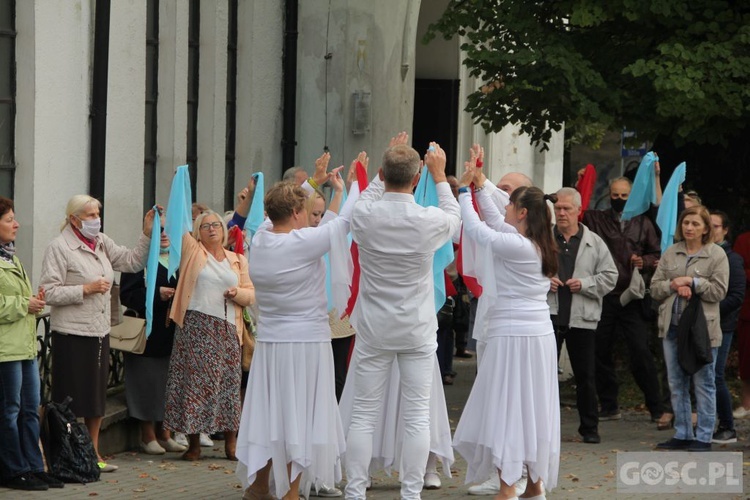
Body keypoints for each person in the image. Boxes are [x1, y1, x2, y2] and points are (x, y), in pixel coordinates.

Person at [344, 138, 460, 500]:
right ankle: (411, 493)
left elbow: (362, 199)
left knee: (363, 414)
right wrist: (439, 176)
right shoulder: (428, 219)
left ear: (381, 174)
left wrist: (384, 170)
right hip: (416, 328)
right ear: (417, 177)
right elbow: (454, 217)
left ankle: (354, 492)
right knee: (417, 416)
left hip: (375, 328)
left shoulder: (364, 215)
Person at [236, 167, 353, 500]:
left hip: (271, 345)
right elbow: (342, 222)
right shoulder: (302, 243)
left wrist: (312, 183)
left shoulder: (260, 239)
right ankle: (289, 494)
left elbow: (290, 213)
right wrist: (369, 181)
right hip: (304, 344)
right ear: (297, 213)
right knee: (297, 420)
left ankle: (258, 488)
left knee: (268, 416)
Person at [453, 163, 560, 499]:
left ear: (523, 212)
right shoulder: (535, 242)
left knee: (508, 407)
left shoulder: (518, 246)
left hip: (514, 336)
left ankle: (507, 486)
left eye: (511, 203)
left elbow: (477, 229)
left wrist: (461, 191)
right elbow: (495, 221)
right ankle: (533, 485)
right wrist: (480, 186)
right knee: (530, 408)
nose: (505, 207)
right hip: (535, 335)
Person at [39, 195, 157, 472]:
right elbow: (49, 292)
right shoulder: (60, 247)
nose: (96, 219)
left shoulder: (102, 241)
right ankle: (65, 453)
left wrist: (147, 233)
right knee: (70, 395)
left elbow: (131, 262)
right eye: (90, 215)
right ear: (74, 219)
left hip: (100, 329)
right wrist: (86, 289)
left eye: (97, 213)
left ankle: (92, 452)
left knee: (95, 395)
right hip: (72, 330)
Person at [164, 209, 255, 462]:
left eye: (216, 225)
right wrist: (180, 188)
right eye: (206, 226)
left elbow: (251, 293)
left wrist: (237, 293)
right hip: (195, 327)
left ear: (223, 230)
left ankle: (231, 444)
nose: (212, 229)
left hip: (227, 329)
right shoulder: (193, 253)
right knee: (194, 386)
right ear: (198, 233)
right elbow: (178, 226)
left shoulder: (237, 259)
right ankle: (193, 444)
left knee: (228, 386)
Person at [582, 177, 664, 422]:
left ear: (632, 196)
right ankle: (609, 405)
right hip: (603, 295)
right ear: (608, 194)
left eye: (624, 196)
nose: (619, 200)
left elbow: (656, 253)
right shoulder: (596, 219)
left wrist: (645, 262)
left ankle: (656, 407)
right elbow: (577, 210)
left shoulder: (643, 222)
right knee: (599, 351)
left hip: (632, 296)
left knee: (640, 351)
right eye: (615, 195)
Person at [651, 206, 728, 452]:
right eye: (686, 223)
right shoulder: (671, 253)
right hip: (671, 328)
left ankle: (704, 436)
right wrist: (674, 284)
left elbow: (719, 291)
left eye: (695, 224)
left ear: (706, 228)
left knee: (704, 383)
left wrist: (692, 282)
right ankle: (683, 432)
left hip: (702, 331)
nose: (689, 228)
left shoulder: (716, 255)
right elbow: (654, 288)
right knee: (676, 382)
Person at [0, 197, 64, 491]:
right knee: (9, 411)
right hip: (5, 351)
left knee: (30, 408)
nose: (17, 224)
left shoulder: (11, 257)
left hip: (24, 346)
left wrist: (34, 302)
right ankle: (13, 470)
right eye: (9, 219)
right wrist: (24, 303)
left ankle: (34, 466)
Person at [548, 187, 618, 444]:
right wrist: (545, 281)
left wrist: (586, 284)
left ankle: (589, 429)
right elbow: (527, 271)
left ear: (579, 211)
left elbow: (611, 276)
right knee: (545, 377)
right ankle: (546, 430)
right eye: (558, 209)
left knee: (586, 376)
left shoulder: (594, 242)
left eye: (567, 209)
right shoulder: (544, 238)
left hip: (582, 318)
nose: (562, 213)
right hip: (550, 316)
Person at [119, 225, 186, 455]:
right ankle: (147, 436)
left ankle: (165, 433)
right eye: (160, 229)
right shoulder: (139, 259)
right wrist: (157, 295)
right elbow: (127, 294)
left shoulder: (177, 258)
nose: (166, 234)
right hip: (146, 334)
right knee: (146, 384)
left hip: (171, 332)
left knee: (167, 385)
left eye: (170, 229)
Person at [709, 210, 745, 443]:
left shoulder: (732, 259)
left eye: (715, 226)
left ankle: (727, 426)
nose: (710, 229)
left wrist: (709, 311)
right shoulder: (702, 255)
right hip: (699, 325)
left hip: (722, 325)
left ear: (725, 230)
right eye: (708, 225)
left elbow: (736, 296)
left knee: (715, 375)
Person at [732, 230, 750, 418]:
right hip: (748, 309)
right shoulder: (743, 240)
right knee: (746, 360)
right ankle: (746, 404)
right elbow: (738, 272)